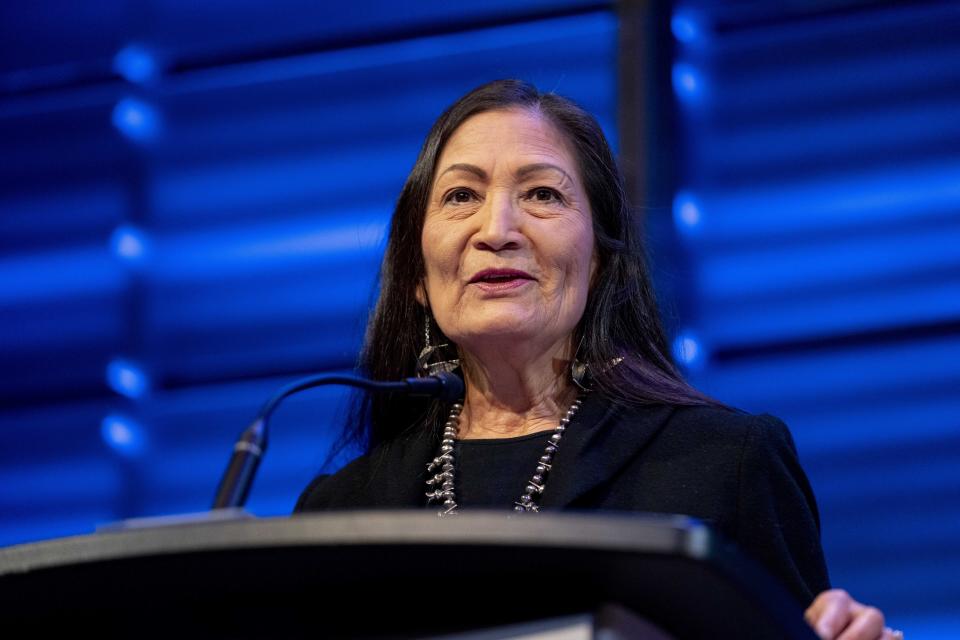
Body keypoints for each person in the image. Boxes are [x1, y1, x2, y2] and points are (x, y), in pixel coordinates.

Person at [295, 79, 900, 640]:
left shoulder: (728, 464)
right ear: (419, 276)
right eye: (461, 195)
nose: (497, 228)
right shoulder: (337, 513)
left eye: (541, 194)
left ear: (599, 262)